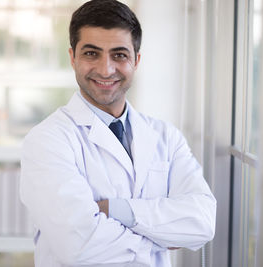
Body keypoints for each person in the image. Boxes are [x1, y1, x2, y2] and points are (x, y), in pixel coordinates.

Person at [20, 0, 216, 266]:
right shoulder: (47, 141)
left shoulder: (166, 137)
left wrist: (115, 210)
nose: (106, 69)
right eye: (92, 53)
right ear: (72, 57)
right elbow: (81, 246)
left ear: (136, 60)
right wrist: (159, 241)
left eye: (119, 55)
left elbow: (202, 222)